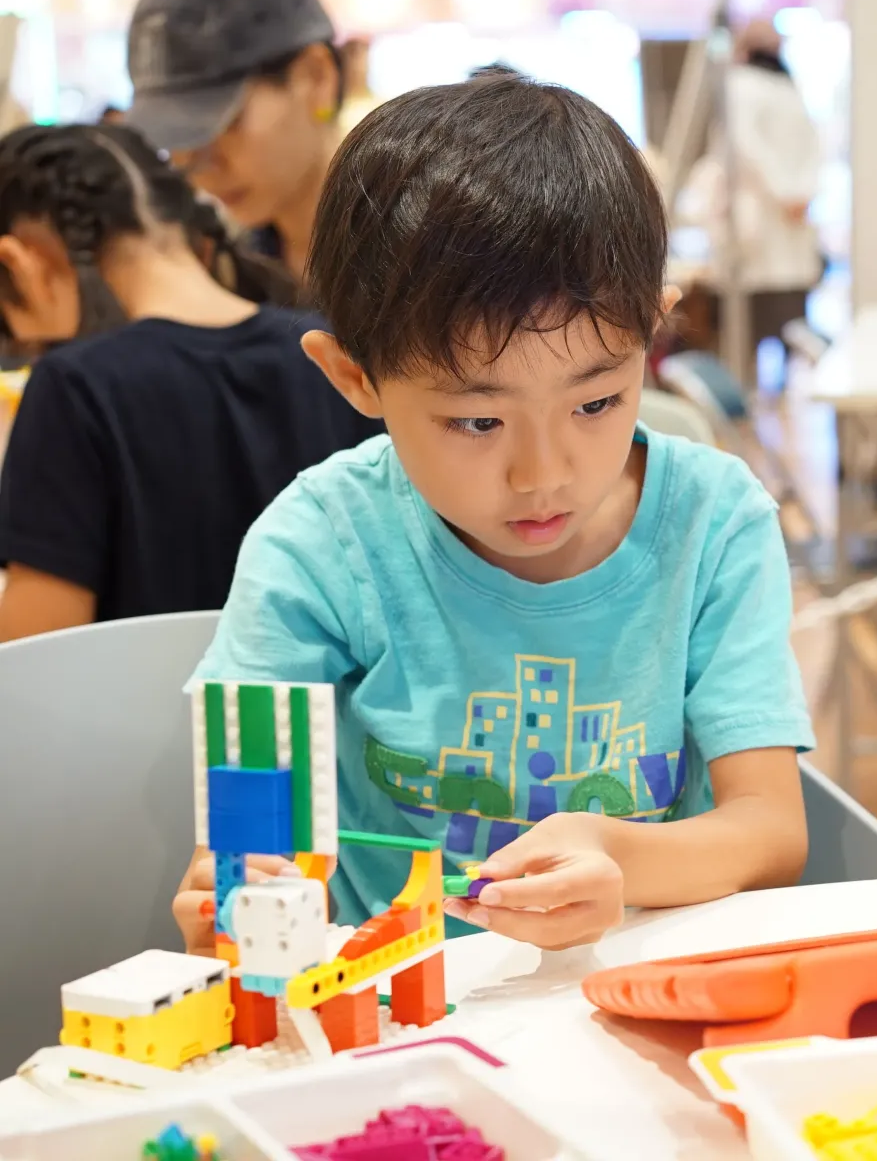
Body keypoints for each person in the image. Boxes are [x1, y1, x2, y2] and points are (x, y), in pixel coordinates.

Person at [172, 72, 813, 954]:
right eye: (477, 422)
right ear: (355, 377)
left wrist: (618, 856)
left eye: (596, 402)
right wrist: (239, 895)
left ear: (651, 335)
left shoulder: (715, 523)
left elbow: (771, 831)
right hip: (402, 988)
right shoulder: (320, 543)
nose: (543, 475)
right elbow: (248, 828)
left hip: (645, 971)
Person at [0, 124, 378, 641]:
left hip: (146, 696)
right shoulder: (333, 351)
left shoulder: (73, 385)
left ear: (18, 262)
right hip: (333, 691)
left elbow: (36, 648)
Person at [124, 0, 343, 284]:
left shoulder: (403, 254)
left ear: (316, 77)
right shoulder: (230, 267)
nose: (199, 168)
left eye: (226, 123)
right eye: (177, 136)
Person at [679, 17, 823, 384]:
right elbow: (748, 146)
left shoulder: (769, 86)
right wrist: (793, 193)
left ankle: (769, 393)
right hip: (770, 224)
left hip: (778, 223)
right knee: (764, 323)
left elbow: (760, 145)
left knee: (777, 321)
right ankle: (757, 393)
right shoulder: (765, 87)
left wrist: (794, 193)